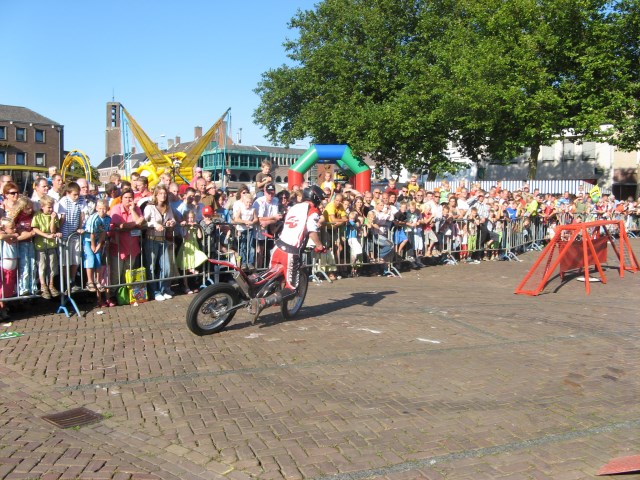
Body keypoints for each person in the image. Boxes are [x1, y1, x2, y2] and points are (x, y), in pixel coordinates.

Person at [249, 185, 326, 316]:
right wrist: (319, 246)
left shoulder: (294, 207)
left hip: (278, 247)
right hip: (291, 251)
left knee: (270, 277)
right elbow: (312, 230)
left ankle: (250, 285)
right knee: (292, 289)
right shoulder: (312, 211)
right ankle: (263, 302)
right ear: (315, 198)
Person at [143, 185, 176, 302]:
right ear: (156, 195)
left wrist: (171, 222)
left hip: (163, 239)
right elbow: (143, 222)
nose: (163, 195)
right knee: (151, 267)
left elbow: (173, 219)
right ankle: (154, 291)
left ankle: (163, 289)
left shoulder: (168, 207)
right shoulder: (150, 207)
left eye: (165, 193)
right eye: (161, 193)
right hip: (151, 239)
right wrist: (154, 224)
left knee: (166, 267)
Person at [56, 182, 85, 293]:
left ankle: (72, 280)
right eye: (74, 195)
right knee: (64, 260)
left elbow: (82, 215)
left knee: (75, 259)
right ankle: (66, 281)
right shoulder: (64, 201)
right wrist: (59, 230)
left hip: (75, 234)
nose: (77, 197)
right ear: (68, 193)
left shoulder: (81, 200)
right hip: (65, 234)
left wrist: (80, 227)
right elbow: (62, 218)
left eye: (78, 194)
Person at [31, 195, 61, 299]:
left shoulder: (54, 215)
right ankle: (43, 285)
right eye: (49, 207)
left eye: (52, 207)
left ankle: (51, 284)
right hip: (40, 245)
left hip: (51, 244)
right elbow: (35, 228)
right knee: (42, 265)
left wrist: (52, 219)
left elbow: (53, 230)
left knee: (52, 265)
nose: (51, 209)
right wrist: (46, 235)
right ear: (42, 206)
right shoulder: (37, 215)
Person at [83, 199, 111, 304]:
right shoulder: (94, 218)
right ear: (96, 208)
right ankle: (90, 281)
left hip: (98, 239)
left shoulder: (108, 218)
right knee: (90, 258)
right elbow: (92, 233)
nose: (102, 211)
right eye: (100, 209)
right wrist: (93, 245)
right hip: (88, 240)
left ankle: (98, 281)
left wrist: (99, 245)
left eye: (104, 209)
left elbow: (104, 233)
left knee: (98, 260)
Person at [11, 196, 38, 296]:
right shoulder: (17, 218)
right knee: (24, 265)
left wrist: (31, 234)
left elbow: (35, 229)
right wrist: (28, 234)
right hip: (21, 244)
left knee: (32, 264)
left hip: (30, 242)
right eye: (28, 208)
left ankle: (32, 287)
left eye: (31, 208)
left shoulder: (33, 216)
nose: (30, 210)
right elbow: (17, 232)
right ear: (22, 208)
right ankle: (23, 288)